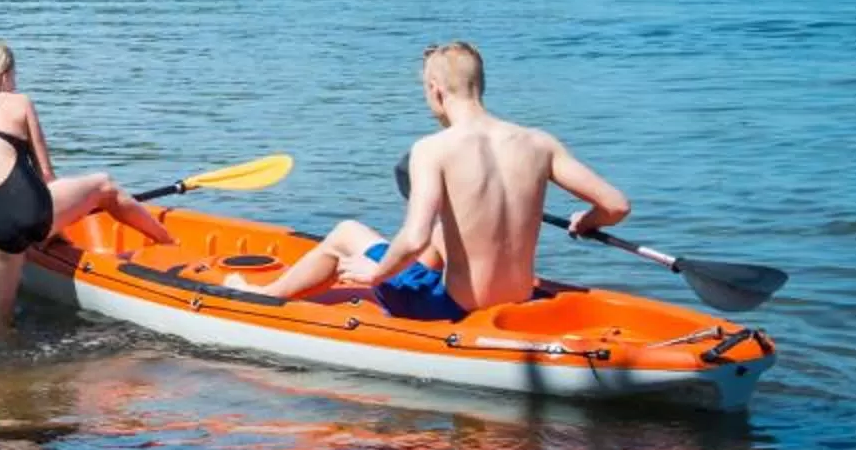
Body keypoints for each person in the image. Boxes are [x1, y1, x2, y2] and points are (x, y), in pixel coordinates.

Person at [237, 41, 631, 319]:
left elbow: (413, 239)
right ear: (480, 85)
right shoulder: (539, 143)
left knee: (346, 232)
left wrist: (376, 273)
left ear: (435, 90)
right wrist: (588, 221)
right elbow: (615, 206)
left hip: (454, 306)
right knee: (448, 232)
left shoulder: (434, 149)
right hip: (518, 294)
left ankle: (265, 297)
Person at [0, 40, 176, 331]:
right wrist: (53, 230)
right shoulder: (19, 102)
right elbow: (46, 177)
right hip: (30, 216)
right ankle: (167, 241)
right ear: (3, 75)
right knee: (104, 186)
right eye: (14, 75)